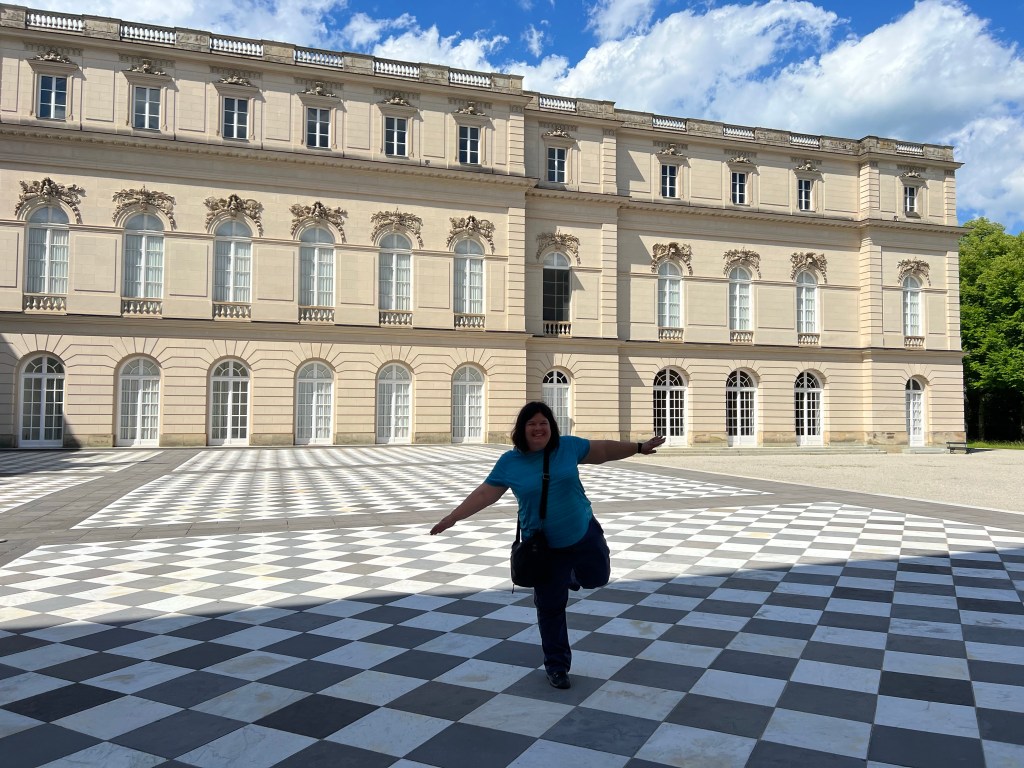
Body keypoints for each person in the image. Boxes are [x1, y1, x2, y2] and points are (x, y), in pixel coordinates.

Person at [430, 401, 666, 690]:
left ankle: (571, 576)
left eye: (543, 422)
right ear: (522, 430)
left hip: (584, 532)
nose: (538, 428)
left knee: (597, 577)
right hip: (543, 549)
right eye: (532, 424)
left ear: (551, 426)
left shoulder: (567, 447)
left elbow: (604, 450)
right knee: (550, 608)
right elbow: (484, 494)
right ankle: (557, 666)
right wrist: (453, 517)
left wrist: (639, 447)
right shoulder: (510, 462)